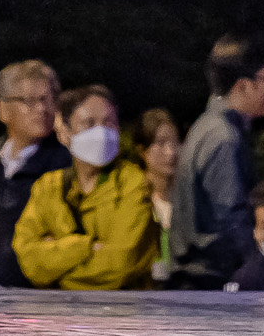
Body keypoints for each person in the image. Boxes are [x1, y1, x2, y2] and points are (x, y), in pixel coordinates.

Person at [14, 85, 157, 290]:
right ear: (64, 133)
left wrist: (57, 267)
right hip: (61, 317)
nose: (101, 132)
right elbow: (28, 260)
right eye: (89, 123)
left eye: (109, 123)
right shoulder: (48, 188)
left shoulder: (133, 183)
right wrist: (88, 247)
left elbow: (121, 264)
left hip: (122, 316)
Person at [168, 37, 264, 288]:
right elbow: (231, 215)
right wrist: (260, 270)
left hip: (196, 277)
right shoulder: (223, 136)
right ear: (243, 86)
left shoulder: (206, 126)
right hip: (207, 281)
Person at [0, 59, 71, 287]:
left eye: (48, 100)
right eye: (30, 101)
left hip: (35, 296)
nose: (43, 109)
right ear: (2, 108)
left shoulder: (65, 166)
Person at [135, 108, 181, 283]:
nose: (171, 152)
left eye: (175, 142)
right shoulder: (135, 198)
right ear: (142, 151)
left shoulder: (188, 197)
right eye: (161, 143)